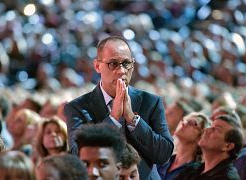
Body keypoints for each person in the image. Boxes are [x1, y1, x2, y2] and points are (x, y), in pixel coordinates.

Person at [64, 36, 173, 179]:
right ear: (97, 66)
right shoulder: (77, 107)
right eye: (113, 64)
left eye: (126, 63)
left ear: (133, 65)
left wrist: (132, 119)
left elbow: (163, 155)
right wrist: (113, 118)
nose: (121, 71)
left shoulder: (151, 102)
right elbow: (77, 156)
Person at [176, 115, 244, 179]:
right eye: (211, 126)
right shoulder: (192, 170)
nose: (206, 130)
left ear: (228, 146)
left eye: (216, 129)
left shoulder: (226, 178)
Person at [157, 112, 210, 180]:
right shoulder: (164, 156)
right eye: (184, 120)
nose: (184, 123)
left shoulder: (195, 173)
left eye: (192, 123)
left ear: (201, 137)